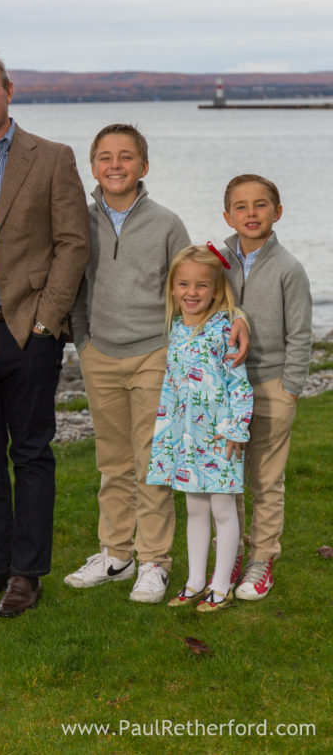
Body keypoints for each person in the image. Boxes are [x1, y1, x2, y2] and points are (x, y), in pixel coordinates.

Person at [65, 124, 250, 603]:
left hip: (155, 355)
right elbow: (75, 288)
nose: (116, 165)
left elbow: (200, 280)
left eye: (126, 156)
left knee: (152, 460)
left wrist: (237, 316)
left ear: (143, 166)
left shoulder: (166, 223)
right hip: (99, 353)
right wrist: (82, 341)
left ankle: (154, 562)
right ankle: (116, 553)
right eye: (105, 157)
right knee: (113, 460)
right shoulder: (79, 221)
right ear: (93, 167)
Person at [0, 51, 90, 617]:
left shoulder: (51, 158)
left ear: (8, 90)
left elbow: (73, 242)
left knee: (30, 453)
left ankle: (27, 574)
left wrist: (48, 320)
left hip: (28, 329)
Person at [146, 245, 254, 611]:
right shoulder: (176, 328)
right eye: (183, 284)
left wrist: (238, 429)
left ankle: (220, 586)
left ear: (216, 288)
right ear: (173, 288)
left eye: (201, 286)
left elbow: (239, 383)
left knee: (223, 510)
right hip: (185, 438)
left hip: (220, 437)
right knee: (195, 509)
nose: (191, 293)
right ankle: (194, 582)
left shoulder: (225, 329)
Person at [222, 174, 312, 601]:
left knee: (266, 478)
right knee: (229, 476)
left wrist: (291, 388)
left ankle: (263, 559)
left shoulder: (288, 269)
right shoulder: (218, 261)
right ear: (227, 215)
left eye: (261, 205)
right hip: (226, 389)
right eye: (241, 206)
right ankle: (233, 554)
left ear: (277, 212)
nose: (251, 213)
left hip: (273, 384)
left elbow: (300, 335)